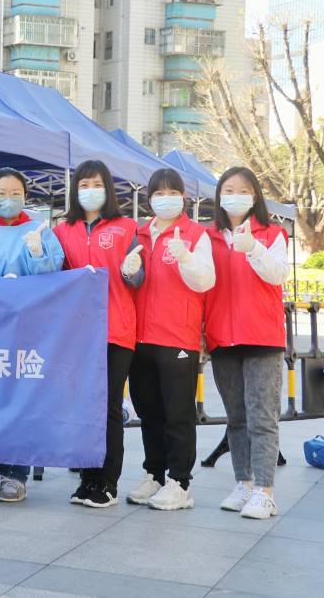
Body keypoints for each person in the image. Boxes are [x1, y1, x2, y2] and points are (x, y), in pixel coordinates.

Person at [54, 160, 144, 508]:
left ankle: (107, 483)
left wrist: (131, 271)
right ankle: (87, 479)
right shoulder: (63, 230)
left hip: (115, 329)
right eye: (84, 185)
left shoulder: (126, 227)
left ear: (108, 189)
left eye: (97, 184)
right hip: (78, 332)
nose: (90, 191)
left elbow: (139, 279)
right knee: (82, 407)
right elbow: (56, 275)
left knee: (108, 407)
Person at [126, 168, 215, 511]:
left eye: (173, 192)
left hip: (178, 336)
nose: (166, 199)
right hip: (141, 337)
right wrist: (127, 269)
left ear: (183, 197)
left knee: (178, 413)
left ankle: (180, 482)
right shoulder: (139, 233)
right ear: (149, 199)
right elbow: (130, 279)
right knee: (149, 412)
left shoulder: (195, 235)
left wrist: (186, 258)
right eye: (159, 193)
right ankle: (155, 474)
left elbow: (205, 281)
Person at [0, 167, 64, 503]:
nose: (8, 199)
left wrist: (38, 253)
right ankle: (1, 468)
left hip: (29, 325)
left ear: (26, 196)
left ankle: (18, 473)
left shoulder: (39, 230)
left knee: (22, 398)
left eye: (15, 193)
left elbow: (54, 271)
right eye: (1, 193)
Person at [205, 167, 289, 520]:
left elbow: (278, 273)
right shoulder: (208, 237)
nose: (235, 195)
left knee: (262, 416)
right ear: (219, 196)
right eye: (228, 189)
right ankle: (243, 482)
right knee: (237, 417)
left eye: (242, 189)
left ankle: (264, 491)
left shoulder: (272, 233)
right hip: (222, 338)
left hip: (262, 337)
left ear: (255, 195)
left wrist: (253, 247)